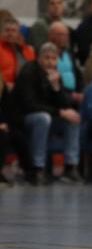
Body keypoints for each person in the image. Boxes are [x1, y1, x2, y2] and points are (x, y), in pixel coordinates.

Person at [16, 43, 82, 185]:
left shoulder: (55, 73)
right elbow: (29, 105)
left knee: (73, 117)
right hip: (26, 118)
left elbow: (66, 104)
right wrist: (60, 112)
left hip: (49, 117)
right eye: (46, 58)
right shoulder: (28, 72)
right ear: (39, 58)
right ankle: (37, 168)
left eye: (53, 59)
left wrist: (56, 87)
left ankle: (70, 167)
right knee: (43, 118)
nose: (50, 62)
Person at [48, 22, 84, 105]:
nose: (64, 38)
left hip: (75, 93)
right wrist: (71, 95)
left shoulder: (69, 53)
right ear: (50, 36)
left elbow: (78, 74)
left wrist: (80, 91)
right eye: (60, 35)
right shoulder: (46, 54)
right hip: (58, 95)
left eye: (66, 35)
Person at [1, 17, 35, 89]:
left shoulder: (28, 51)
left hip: (25, 89)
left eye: (13, 31)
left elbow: (34, 72)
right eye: (7, 30)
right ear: (2, 32)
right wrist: (5, 84)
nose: (10, 33)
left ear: (18, 33)